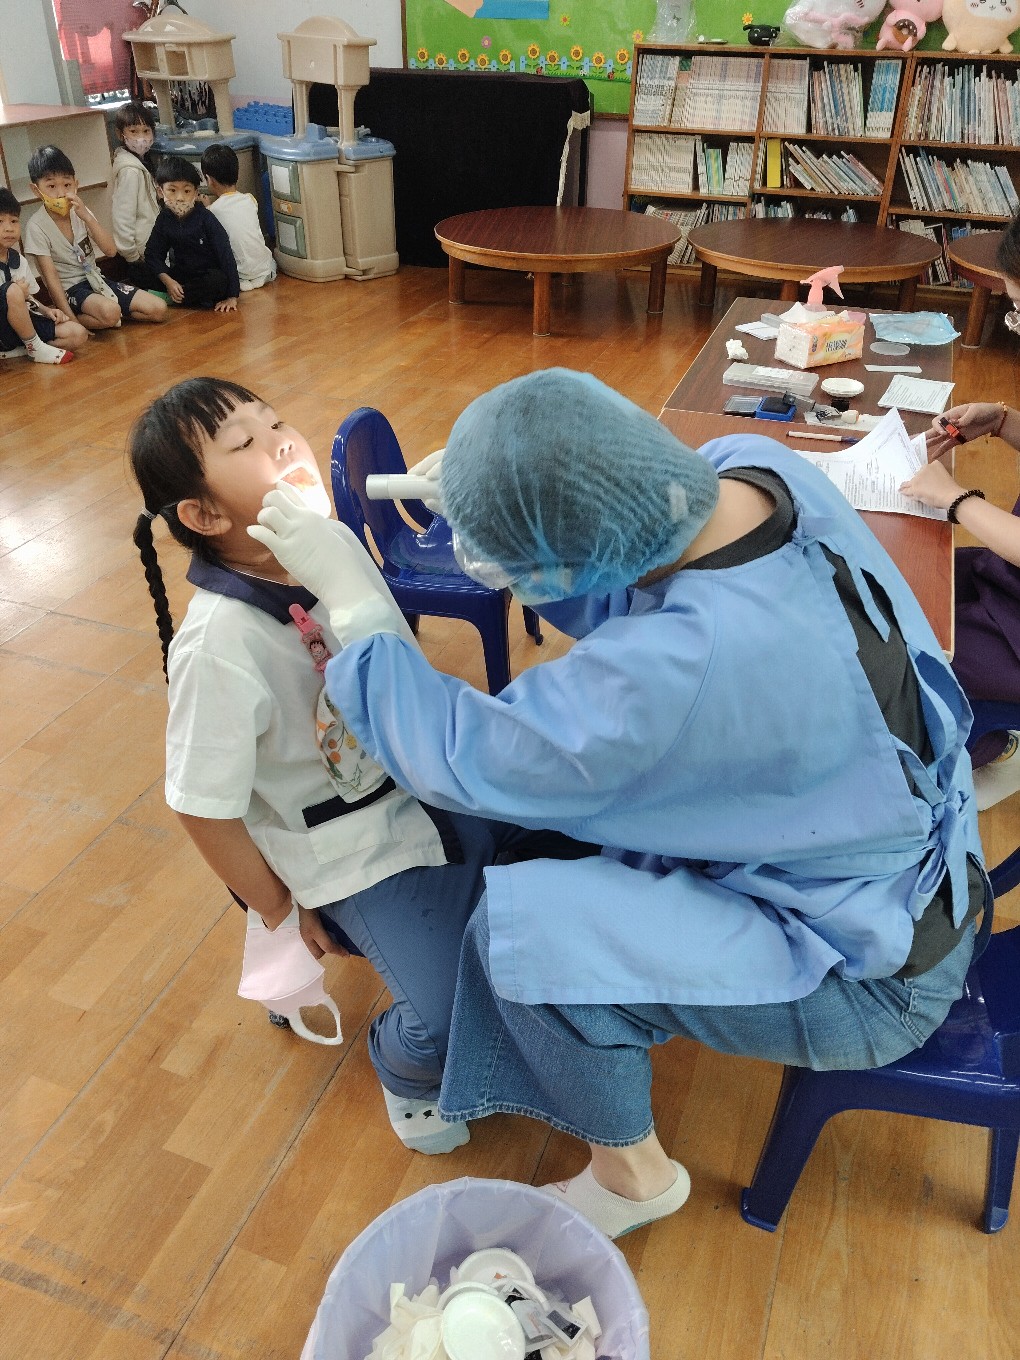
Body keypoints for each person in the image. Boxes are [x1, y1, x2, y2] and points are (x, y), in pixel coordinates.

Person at [250, 367, 989, 1239]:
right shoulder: (753, 468)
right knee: (551, 856)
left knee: (521, 935)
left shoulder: (676, 674)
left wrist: (359, 610)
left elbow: (464, 754)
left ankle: (632, 1177)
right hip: (904, 858)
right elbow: (631, 562)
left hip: (876, 972)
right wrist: (511, 495)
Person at [129, 376, 592, 1156]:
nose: (283, 441)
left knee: (577, 839)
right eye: (245, 443)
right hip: (352, 850)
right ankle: (404, 1070)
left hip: (425, 779)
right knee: (447, 1022)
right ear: (205, 516)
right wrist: (284, 910)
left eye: (277, 422)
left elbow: (397, 666)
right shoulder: (218, 644)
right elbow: (201, 805)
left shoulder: (329, 545)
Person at [899, 214, 1020, 811]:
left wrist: (957, 500)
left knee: (911, 659)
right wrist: (1002, 421)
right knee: (912, 585)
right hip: (1010, 580)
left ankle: (982, 744)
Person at [22, 145, 167, 332]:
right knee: (110, 312)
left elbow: (110, 251)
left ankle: (110, 314)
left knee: (158, 309)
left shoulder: (80, 211)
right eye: (51, 186)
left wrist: (87, 217)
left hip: (97, 280)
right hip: (72, 290)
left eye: (67, 185)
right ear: (36, 190)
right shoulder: (36, 226)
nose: (60, 193)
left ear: (76, 184)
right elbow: (52, 281)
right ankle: (102, 315)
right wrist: (72, 321)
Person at [0, 186, 88, 364]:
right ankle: (35, 348)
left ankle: (23, 348)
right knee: (13, 290)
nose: (8, 228)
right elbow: (14, 295)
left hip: (22, 324)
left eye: (14, 221)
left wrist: (47, 311)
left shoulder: (18, 260)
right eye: (0, 222)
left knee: (78, 334)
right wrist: (16, 294)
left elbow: (29, 299)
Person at [145, 157, 240, 313]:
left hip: (206, 276)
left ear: (196, 193)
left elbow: (226, 256)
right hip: (180, 275)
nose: (180, 197)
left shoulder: (206, 219)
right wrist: (168, 281)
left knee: (217, 280)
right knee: (136, 270)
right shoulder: (164, 218)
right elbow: (153, 254)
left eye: (187, 191)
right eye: (172, 190)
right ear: (160, 192)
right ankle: (182, 295)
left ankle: (174, 298)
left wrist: (232, 296)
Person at [200, 143, 277, 293]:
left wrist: (206, 206)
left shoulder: (212, 211)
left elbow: (210, 222)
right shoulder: (249, 199)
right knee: (271, 261)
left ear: (209, 179)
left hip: (238, 272)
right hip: (263, 267)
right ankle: (261, 276)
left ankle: (243, 280)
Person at [110, 102, 163, 291]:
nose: (141, 137)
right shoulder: (130, 171)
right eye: (133, 131)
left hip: (152, 246)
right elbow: (122, 215)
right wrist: (132, 255)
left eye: (146, 131)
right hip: (141, 254)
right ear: (120, 134)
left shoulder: (140, 163)